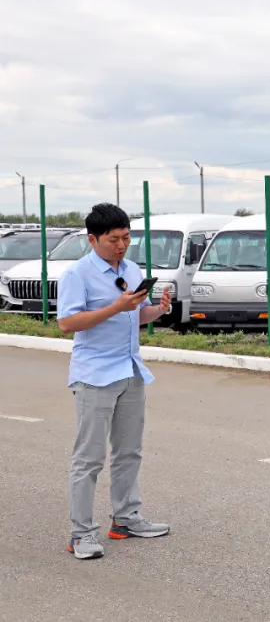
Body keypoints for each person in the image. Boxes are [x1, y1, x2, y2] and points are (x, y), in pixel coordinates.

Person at [57, 204, 174, 560]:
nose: (121, 245)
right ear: (93, 239)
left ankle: (125, 518)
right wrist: (117, 308)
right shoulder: (77, 274)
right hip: (95, 375)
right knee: (89, 458)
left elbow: (136, 315)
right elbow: (67, 323)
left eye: (126, 238)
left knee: (129, 452)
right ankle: (81, 534)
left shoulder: (132, 269)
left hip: (130, 370)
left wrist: (158, 309)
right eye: (113, 239)